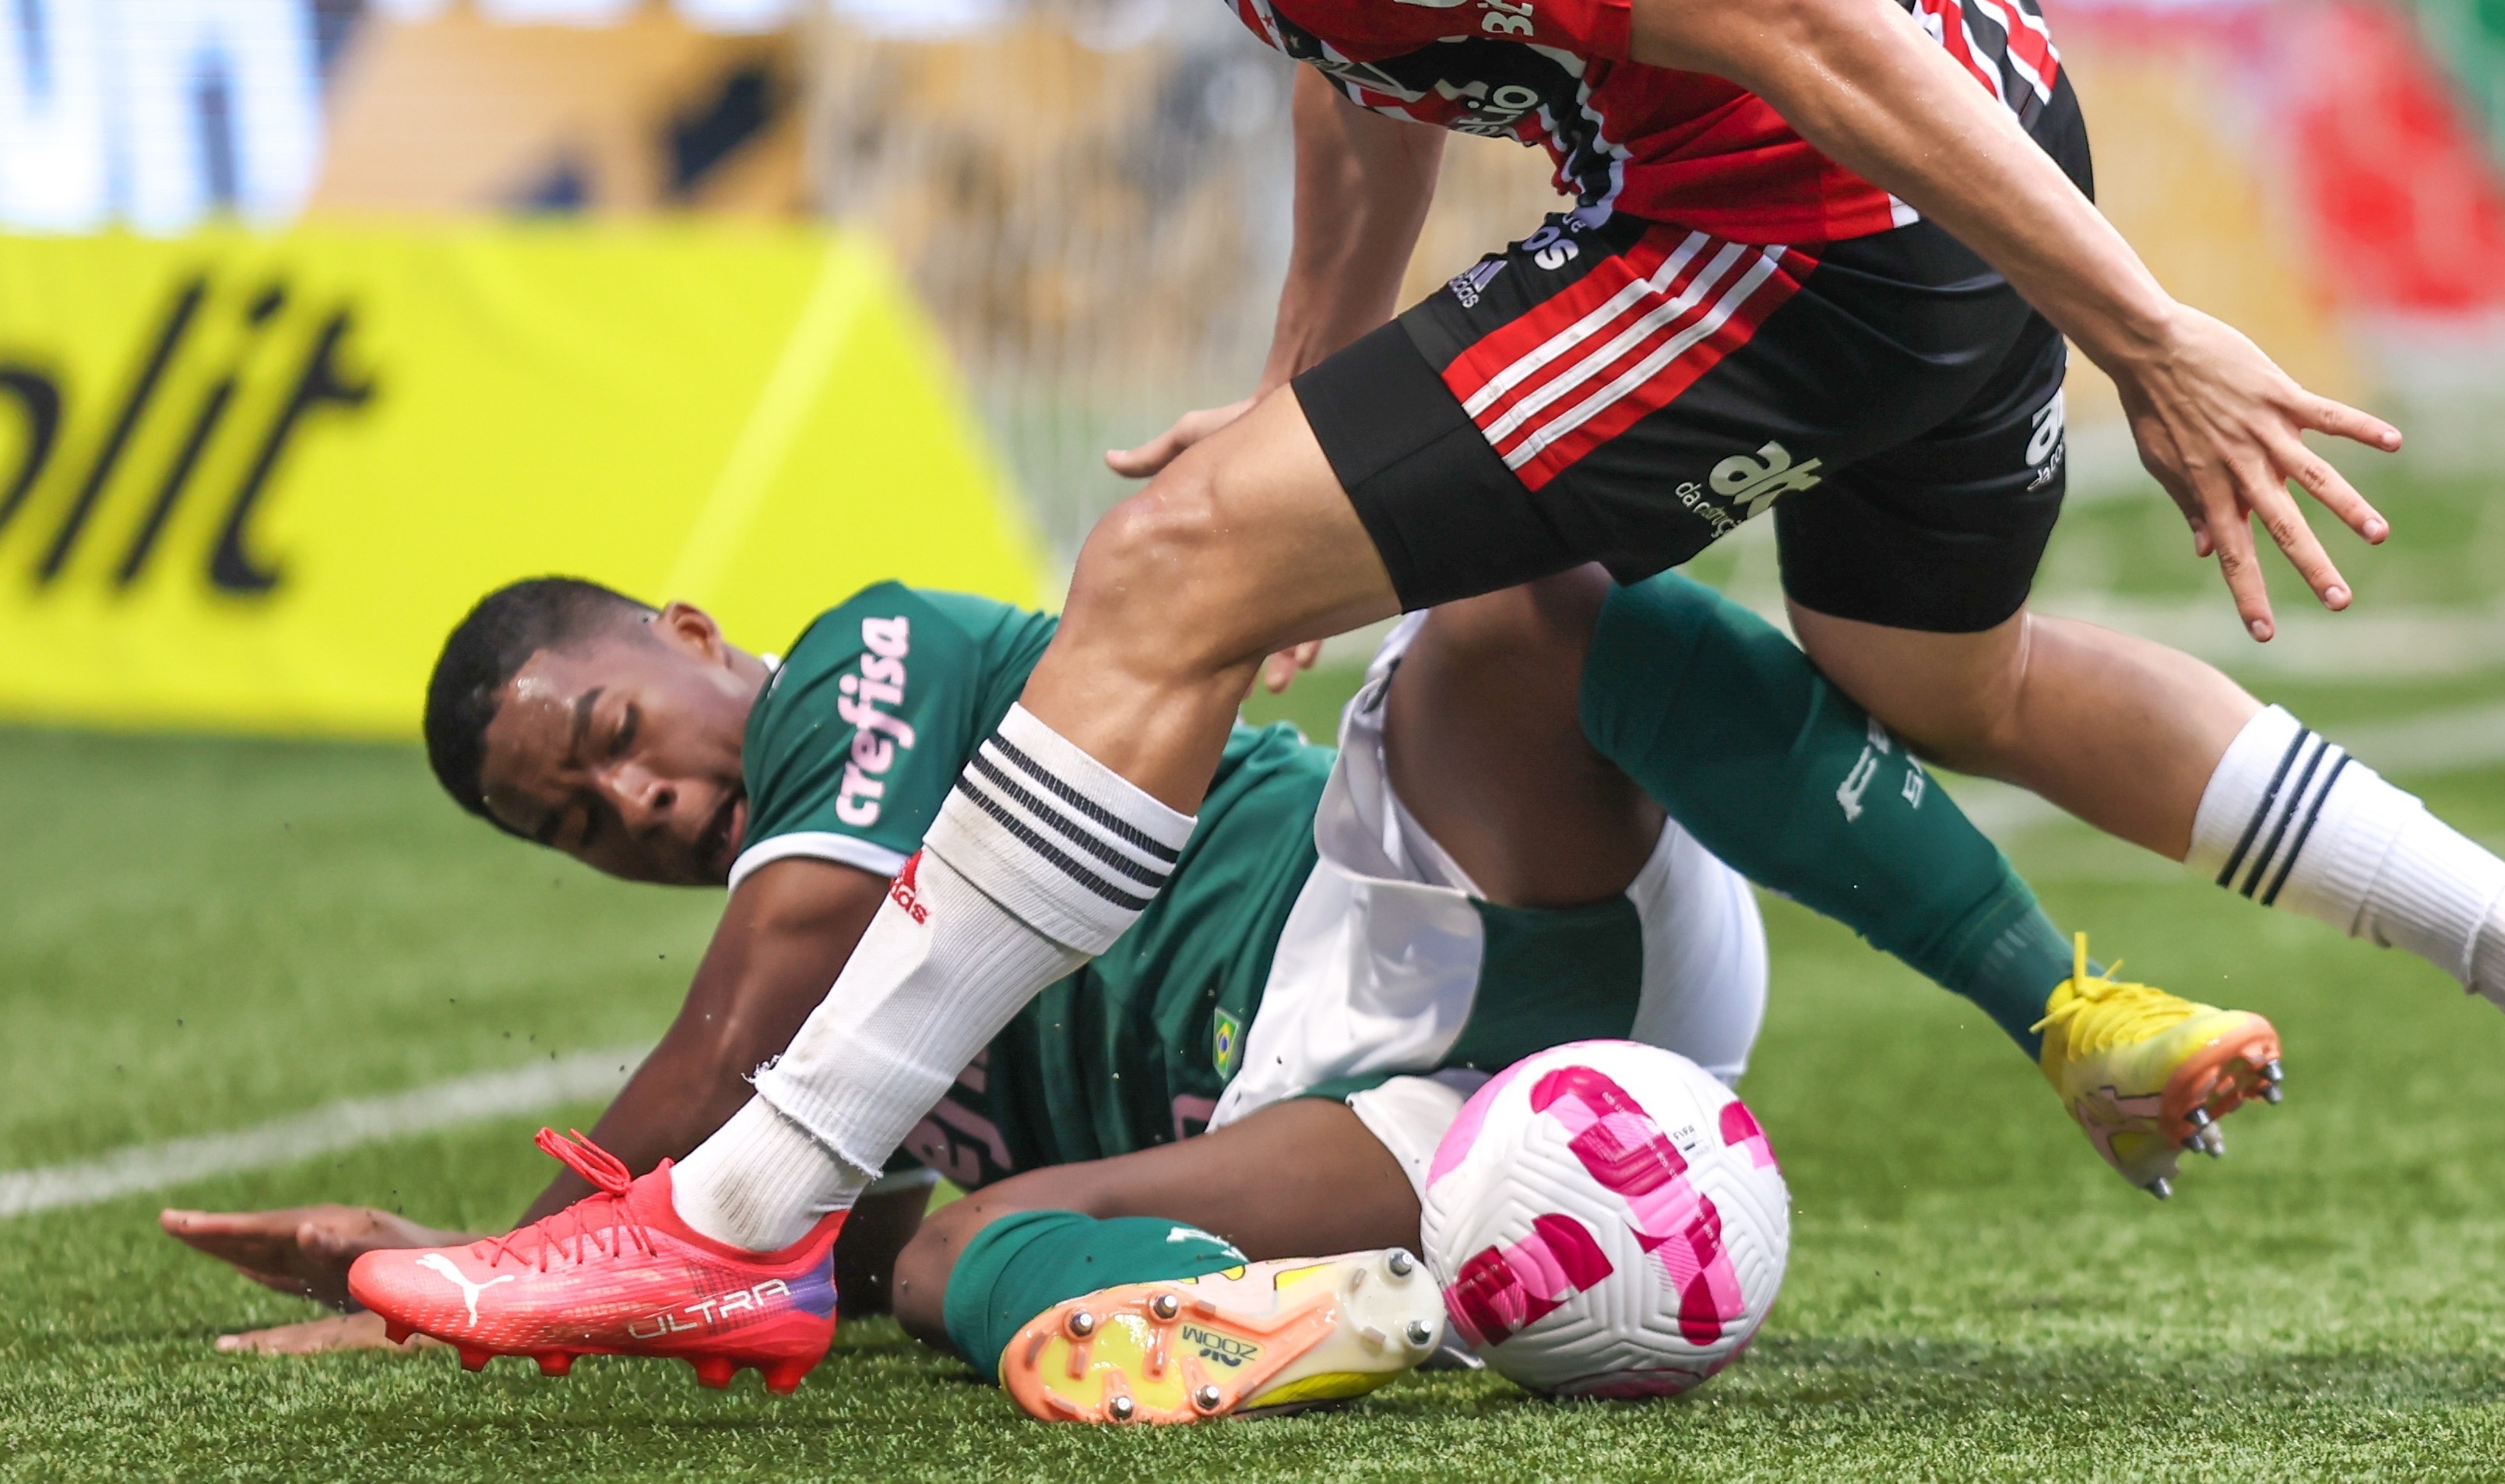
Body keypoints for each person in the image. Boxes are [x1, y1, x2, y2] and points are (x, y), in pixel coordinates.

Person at [353, 0, 2505, 1359]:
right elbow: (1351, 33)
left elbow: (1787, 13)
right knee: (1940, 678)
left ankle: (742, 1220)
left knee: (1167, 571)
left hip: (1815, 200)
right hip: (1968, 118)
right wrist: (1306, 376)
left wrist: (2151, 328)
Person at [181, 565, 2278, 1419]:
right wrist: (496, 1259)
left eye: (618, 727)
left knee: (1522, 610)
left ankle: (2057, 1000)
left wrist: (490, 1260)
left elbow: (769, 990)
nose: (635, 794)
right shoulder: (815, 1067)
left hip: (1434, 901)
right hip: (1408, 1141)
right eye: (580, 817)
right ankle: (1376, 1314)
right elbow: (775, 1258)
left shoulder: (857, 668)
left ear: (692, 628)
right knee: (946, 1243)